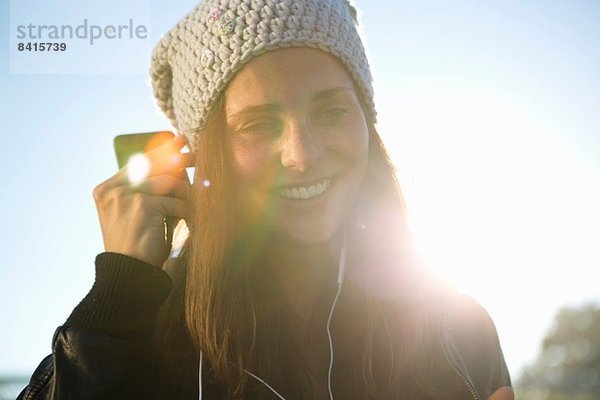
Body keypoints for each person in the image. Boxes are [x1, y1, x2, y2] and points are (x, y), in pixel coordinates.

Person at [18, 0, 513, 399]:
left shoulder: (457, 329)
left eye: (332, 111)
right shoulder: (137, 336)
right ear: (204, 154)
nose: (302, 155)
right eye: (258, 125)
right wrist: (118, 298)